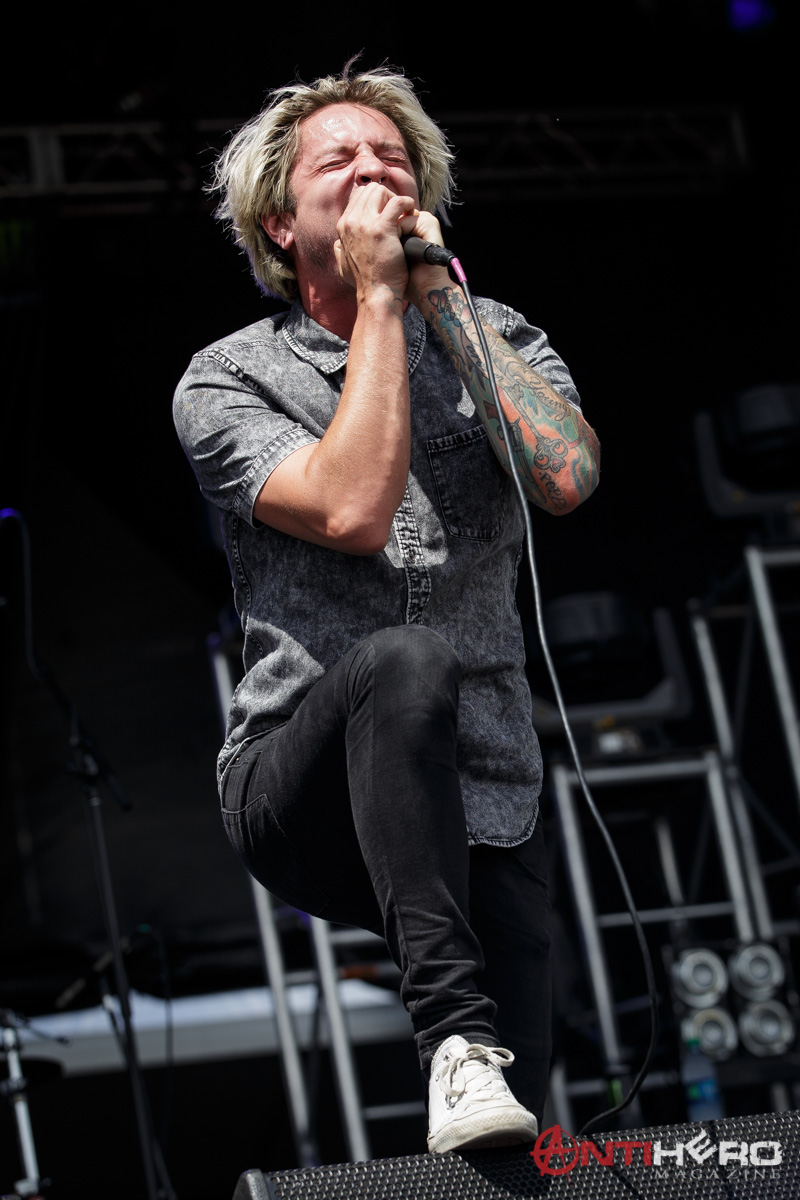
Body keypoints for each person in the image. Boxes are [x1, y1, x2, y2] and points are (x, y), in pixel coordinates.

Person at [173, 62, 600, 1155]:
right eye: (341, 161)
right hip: (301, 775)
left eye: (394, 159)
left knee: (518, 1119)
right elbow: (354, 511)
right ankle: (449, 1039)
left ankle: (477, 1070)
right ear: (280, 222)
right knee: (404, 657)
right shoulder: (228, 378)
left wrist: (439, 306)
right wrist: (373, 300)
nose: (375, 174)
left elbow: (566, 478)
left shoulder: (493, 331)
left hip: (484, 781)